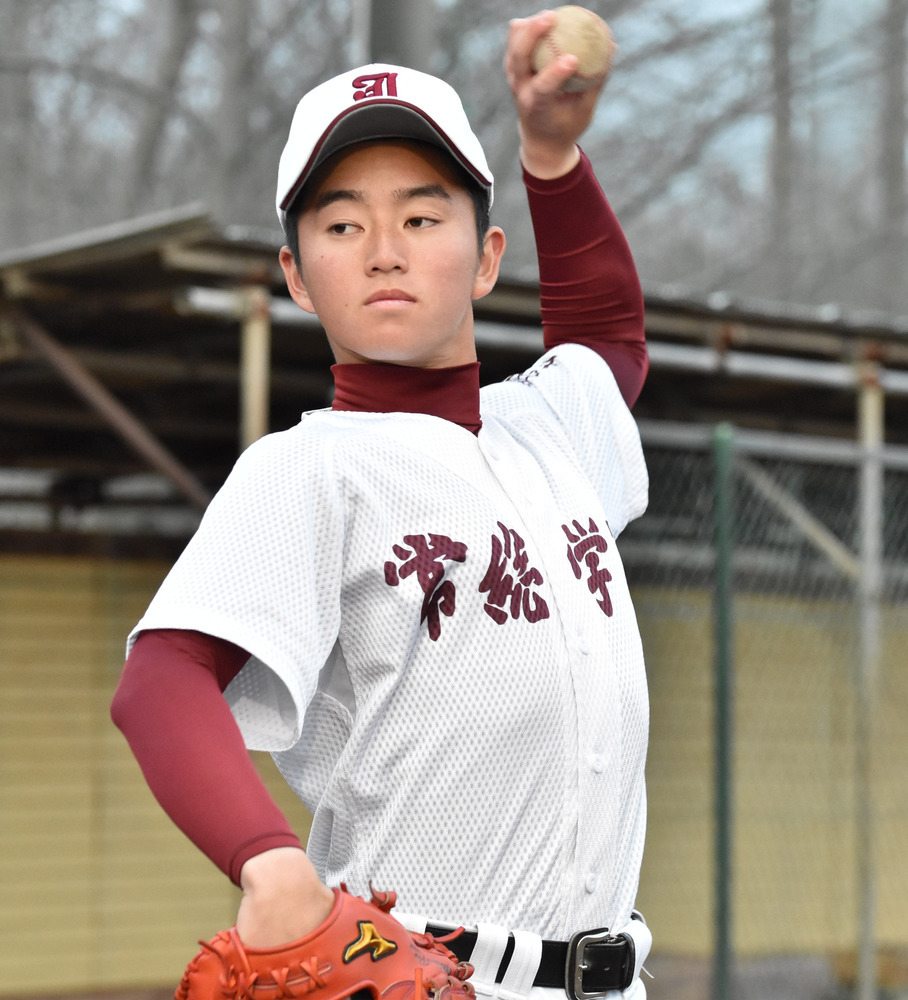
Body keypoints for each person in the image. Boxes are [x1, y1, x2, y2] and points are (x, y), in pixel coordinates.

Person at [112, 11, 652, 1000]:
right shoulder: (308, 471)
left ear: (486, 258)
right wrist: (266, 861)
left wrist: (552, 153)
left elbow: (606, 336)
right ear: (297, 277)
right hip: (417, 974)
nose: (382, 250)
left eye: (420, 214)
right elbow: (161, 679)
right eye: (340, 223)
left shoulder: (550, 426)